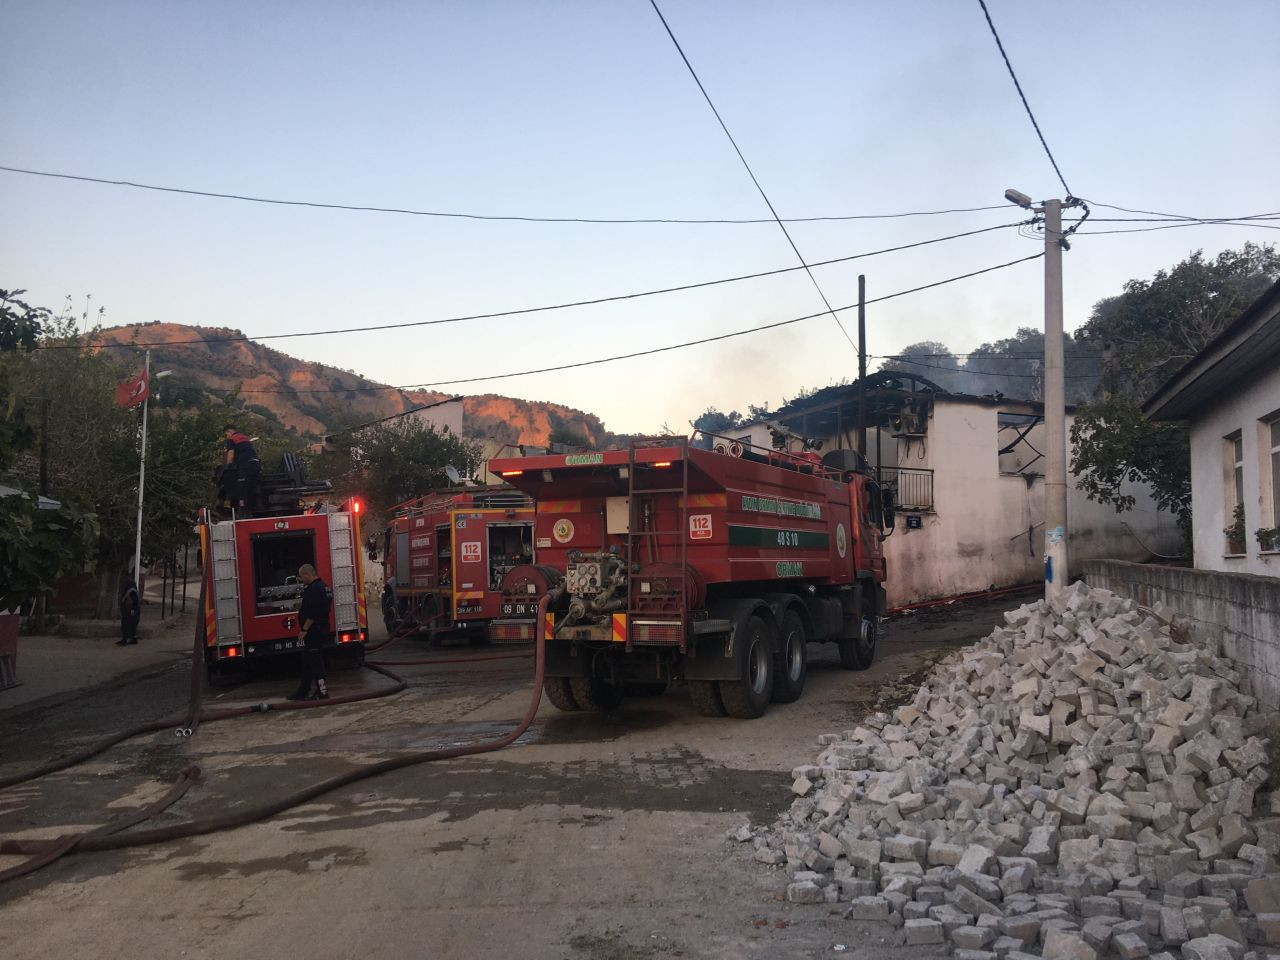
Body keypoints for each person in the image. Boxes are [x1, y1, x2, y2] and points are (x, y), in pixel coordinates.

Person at [289, 563, 331, 700]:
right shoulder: (324, 587)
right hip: (322, 628)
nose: (301, 580)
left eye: (301, 577)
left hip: (314, 631)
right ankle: (303, 690)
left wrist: (304, 629)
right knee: (307, 660)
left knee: (316, 662)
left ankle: (322, 691)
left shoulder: (313, 589)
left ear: (308, 574)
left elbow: (313, 612)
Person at [223, 424, 261, 517]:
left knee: (242, 489)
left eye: (226, 434)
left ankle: (242, 512)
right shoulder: (245, 437)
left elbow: (231, 454)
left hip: (246, 465)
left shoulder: (232, 439)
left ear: (230, 432)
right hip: (255, 464)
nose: (227, 436)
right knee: (251, 488)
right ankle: (249, 511)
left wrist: (227, 467)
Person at [116, 573, 140, 647]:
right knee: (125, 625)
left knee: (128, 625)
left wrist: (133, 610)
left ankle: (128, 639)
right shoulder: (130, 589)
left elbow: (135, 601)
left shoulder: (131, 590)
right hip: (127, 610)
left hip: (130, 610)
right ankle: (127, 638)